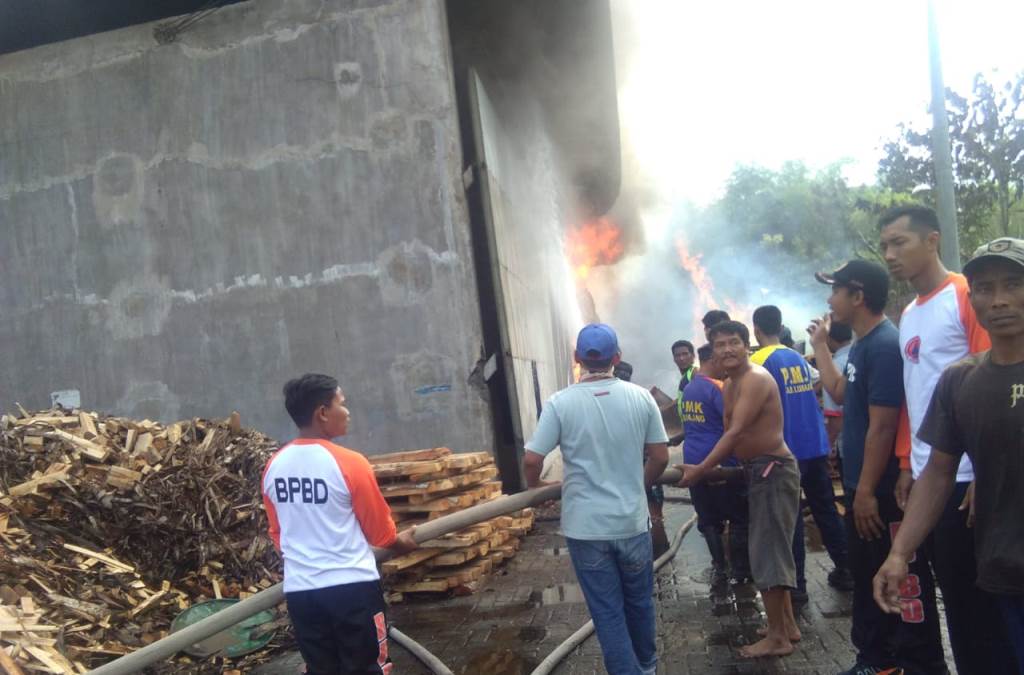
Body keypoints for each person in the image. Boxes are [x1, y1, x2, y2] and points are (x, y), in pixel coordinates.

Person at [875, 237, 1024, 674]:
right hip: (1004, 569)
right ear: (971, 298)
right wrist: (899, 552)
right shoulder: (960, 382)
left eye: (1014, 284)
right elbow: (938, 474)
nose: (999, 300)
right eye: (985, 288)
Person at [810, 261, 947, 675]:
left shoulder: (885, 346)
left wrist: (867, 491)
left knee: (904, 578)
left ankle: (919, 663)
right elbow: (840, 392)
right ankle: (878, 660)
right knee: (869, 570)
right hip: (861, 485)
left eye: (835, 291)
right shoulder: (862, 345)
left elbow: (883, 426)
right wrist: (820, 345)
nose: (829, 299)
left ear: (857, 296)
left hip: (884, 490)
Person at [524, 324, 669, 675]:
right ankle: (646, 668)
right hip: (632, 523)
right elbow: (661, 457)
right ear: (616, 357)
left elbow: (531, 459)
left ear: (577, 358)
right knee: (639, 603)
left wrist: (535, 489)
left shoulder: (560, 403)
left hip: (585, 528)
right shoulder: (641, 397)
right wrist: (638, 485)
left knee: (607, 612)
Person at [262, 374, 418, 675]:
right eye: (342, 404)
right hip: (352, 590)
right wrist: (404, 543)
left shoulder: (274, 466)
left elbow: (277, 533)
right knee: (366, 669)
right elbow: (381, 533)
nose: (347, 412)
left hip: (302, 593)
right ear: (322, 412)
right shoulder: (350, 463)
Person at [678, 321, 801, 658]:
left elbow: (735, 433)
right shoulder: (729, 385)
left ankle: (778, 638)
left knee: (768, 552)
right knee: (771, 549)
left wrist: (702, 470)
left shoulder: (756, 379)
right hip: (754, 471)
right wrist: (725, 472)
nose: (727, 349)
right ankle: (787, 625)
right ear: (713, 352)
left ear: (747, 346)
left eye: (734, 342)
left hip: (773, 470)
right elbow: (733, 437)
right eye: (720, 345)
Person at [752, 305, 852, 600]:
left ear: (756, 329)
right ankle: (847, 569)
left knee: (789, 519)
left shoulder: (758, 361)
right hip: (814, 446)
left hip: (786, 451)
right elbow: (818, 382)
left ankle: (797, 587)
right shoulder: (795, 356)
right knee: (825, 510)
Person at [680, 343, 752, 588]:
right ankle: (741, 571)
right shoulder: (719, 388)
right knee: (738, 517)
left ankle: (720, 568)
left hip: (692, 461)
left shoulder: (689, 388)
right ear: (712, 360)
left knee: (708, 518)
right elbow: (734, 427)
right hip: (721, 463)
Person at [616, 360, 670, 558]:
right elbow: (659, 447)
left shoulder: (607, 401)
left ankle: (652, 555)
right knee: (655, 514)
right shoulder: (641, 398)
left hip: (629, 467)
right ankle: (660, 556)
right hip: (648, 465)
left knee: (644, 514)